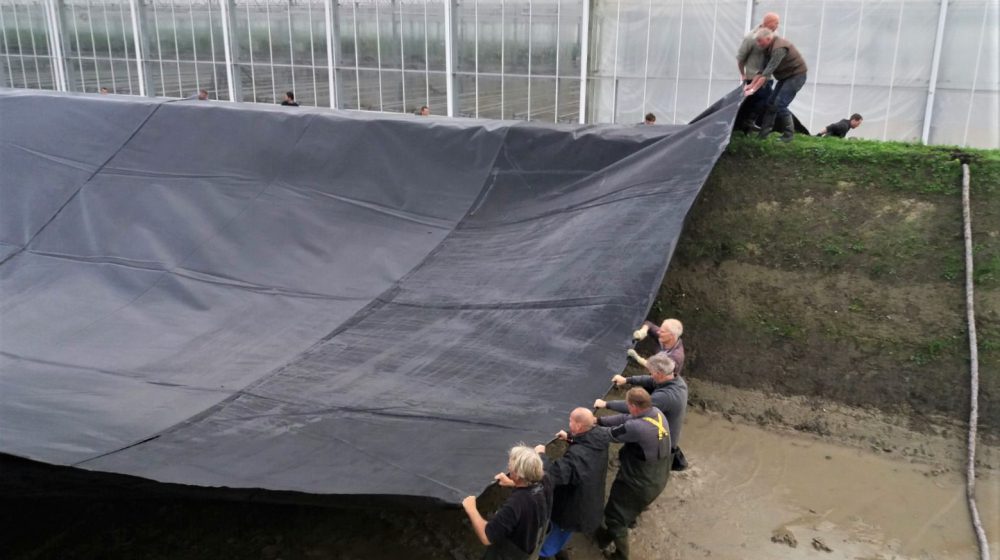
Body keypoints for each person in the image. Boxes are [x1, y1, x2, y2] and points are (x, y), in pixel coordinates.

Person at [593, 388, 671, 560]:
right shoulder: (656, 413)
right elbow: (625, 418)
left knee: (614, 518)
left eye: (628, 405)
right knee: (629, 510)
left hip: (639, 482)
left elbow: (609, 435)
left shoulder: (637, 427)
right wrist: (598, 420)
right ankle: (621, 526)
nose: (627, 408)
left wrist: (585, 427)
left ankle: (620, 555)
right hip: (660, 475)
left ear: (634, 406)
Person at [533, 408, 612, 560]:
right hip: (591, 497)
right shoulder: (601, 436)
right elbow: (587, 443)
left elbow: (556, 474)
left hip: (574, 509)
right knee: (560, 534)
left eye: (571, 421)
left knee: (556, 537)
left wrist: (541, 456)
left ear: (579, 426)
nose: (568, 422)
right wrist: (570, 437)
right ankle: (557, 552)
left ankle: (545, 555)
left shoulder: (578, 456)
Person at [597, 353, 689, 471]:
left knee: (639, 450)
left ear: (659, 374)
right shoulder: (674, 379)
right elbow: (651, 380)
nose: (650, 375)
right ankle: (623, 459)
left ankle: (629, 466)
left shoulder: (666, 396)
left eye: (651, 372)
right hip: (663, 428)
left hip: (660, 437)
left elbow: (634, 406)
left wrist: (606, 404)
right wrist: (627, 380)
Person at [463, 445, 554, 560]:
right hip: (535, 542)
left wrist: (471, 509)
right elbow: (532, 489)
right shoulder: (545, 479)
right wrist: (513, 483)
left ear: (518, 474)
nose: (508, 467)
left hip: (513, 553)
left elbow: (486, 537)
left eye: (510, 466)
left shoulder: (516, 504)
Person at [744, 28, 808, 142]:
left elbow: (767, 74)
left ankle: (788, 135)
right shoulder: (766, 48)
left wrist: (753, 90)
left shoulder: (779, 49)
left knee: (781, 104)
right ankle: (763, 134)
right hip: (785, 77)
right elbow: (762, 71)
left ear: (768, 39)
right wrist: (751, 85)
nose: (758, 44)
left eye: (760, 41)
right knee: (770, 103)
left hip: (796, 76)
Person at [735, 12, 780, 133]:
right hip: (753, 75)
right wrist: (743, 75)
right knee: (762, 99)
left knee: (755, 101)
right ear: (768, 23)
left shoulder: (774, 36)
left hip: (767, 76)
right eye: (776, 23)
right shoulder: (751, 38)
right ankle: (748, 123)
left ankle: (746, 126)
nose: (778, 25)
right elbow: (741, 58)